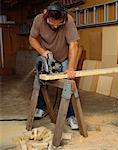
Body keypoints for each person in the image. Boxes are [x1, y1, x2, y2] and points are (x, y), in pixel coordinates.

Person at [29, 1, 79, 130]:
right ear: (46, 15)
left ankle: (70, 115)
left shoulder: (68, 20)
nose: (56, 26)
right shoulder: (39, 20)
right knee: (41, 80)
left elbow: (73, 44)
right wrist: (42, 51)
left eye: (59, 23)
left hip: (63, 57)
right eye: (52, 23)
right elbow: (32, 38)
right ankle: (41, 107)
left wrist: (71, 68)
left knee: (69, 83)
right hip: (46, 56)